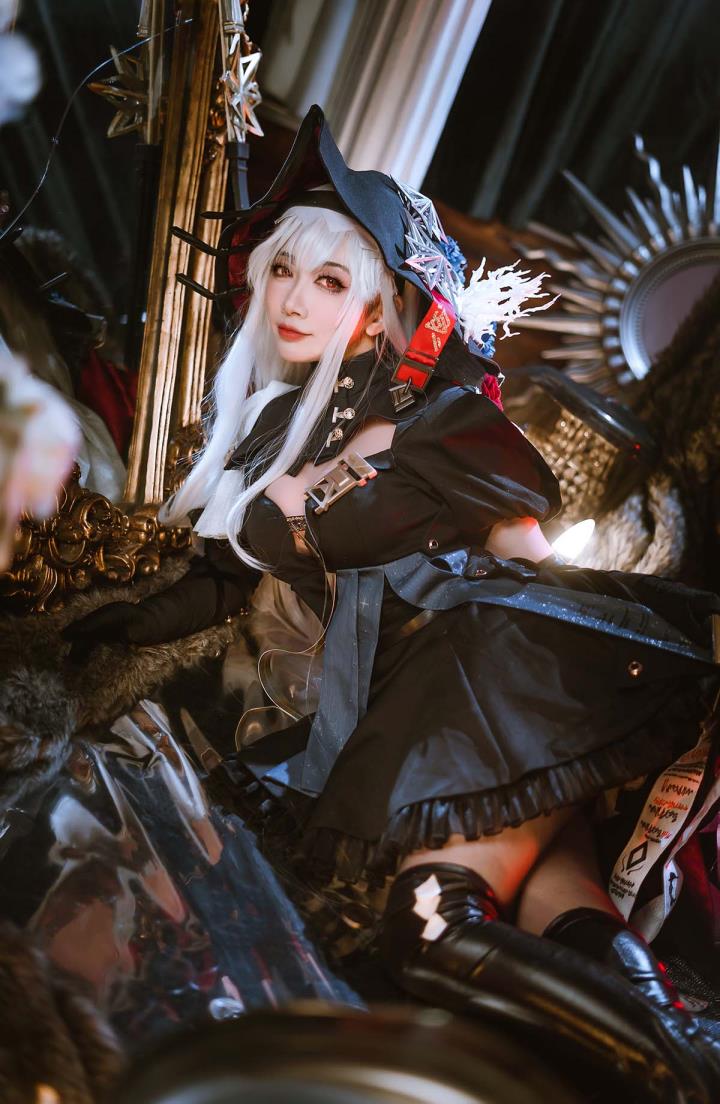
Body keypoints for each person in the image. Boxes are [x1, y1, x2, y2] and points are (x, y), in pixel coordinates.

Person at [64, 105, 720, 1096]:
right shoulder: (269, 431)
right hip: (414, 723)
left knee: (429, 930)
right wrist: (107, 624)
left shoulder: (446, 423)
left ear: (377, 312)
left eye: (331, 281)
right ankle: (682, 1061)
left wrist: (579, 695)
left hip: (480, 688)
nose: (295, 298)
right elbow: (220, 582)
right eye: (284, 271)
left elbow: (533, 571)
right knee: (565, 909)